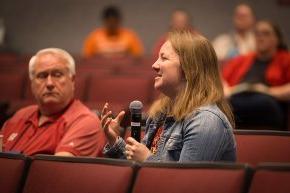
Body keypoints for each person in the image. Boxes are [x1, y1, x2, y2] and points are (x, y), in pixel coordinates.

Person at [101, 30, 236, 162]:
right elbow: (137, 169)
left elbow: (184, 181)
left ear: (189, 69)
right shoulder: (160, 114)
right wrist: (115, 142)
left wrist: (147, 160)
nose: (154, 65)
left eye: (164, 58)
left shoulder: (206, 121)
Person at [0, 48, 106, 156]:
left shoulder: (85, 121)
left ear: (72, 80)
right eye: (42, 76)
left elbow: (55, 170)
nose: (49, 83)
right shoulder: (19, 116)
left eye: (57, 74)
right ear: (32, 83)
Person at [223, 20, 290, 130]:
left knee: (263, 103)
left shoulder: (286, 59)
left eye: (266, 33)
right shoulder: (242, 59)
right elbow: (219, 79)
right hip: (236, 100)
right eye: (257, 34)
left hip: (268, 104)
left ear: (277, 39)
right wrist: (226, 91)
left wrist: (267, 91)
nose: (260, 37)